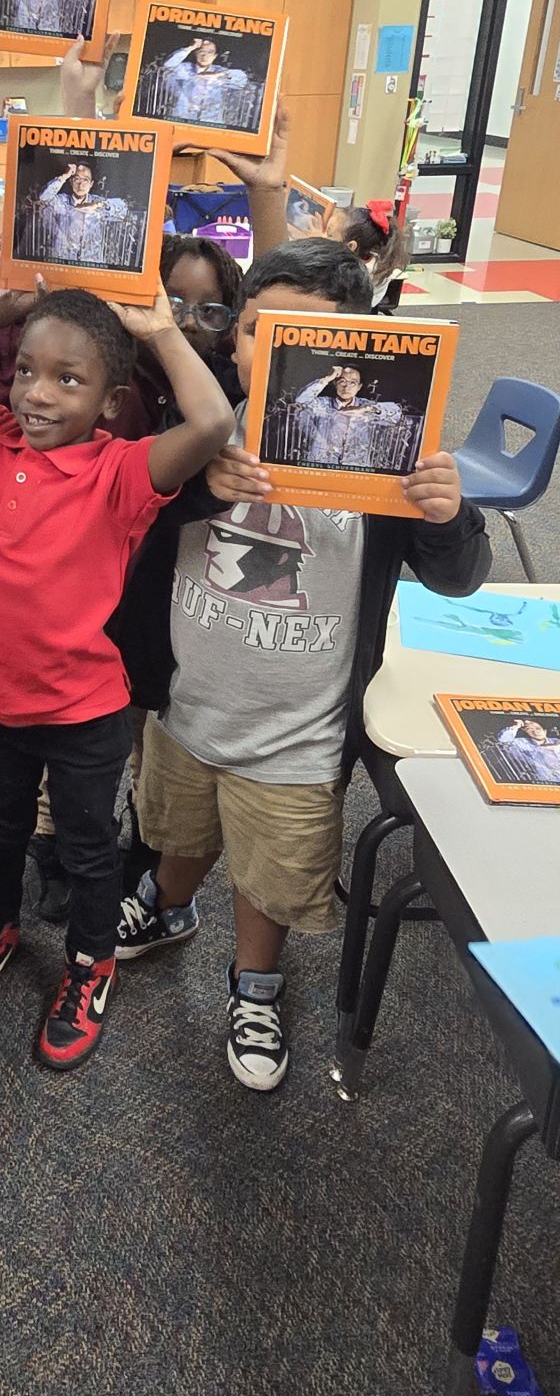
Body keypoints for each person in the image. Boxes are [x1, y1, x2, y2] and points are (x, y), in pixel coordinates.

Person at [111, 238, 491, 1092]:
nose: (272, 351)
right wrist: (205, 482)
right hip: (187, 709)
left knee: (271, 878)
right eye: (255, 330)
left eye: (308, 337)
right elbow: (135, 527)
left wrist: (446, 510)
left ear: (358, 350)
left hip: (298, 735)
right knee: (178, 832)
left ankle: (255, 984)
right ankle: (168, 906)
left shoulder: (389, 457)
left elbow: (459, 576)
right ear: (235, 341)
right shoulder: (203, 427)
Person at [0, 280, 236, 1072]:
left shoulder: (121, 471)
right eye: (27, 370)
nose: (37, 392)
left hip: (84, 709)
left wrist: (161, 330)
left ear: (110, 403)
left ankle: (88, 962)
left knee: (88, 843)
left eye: (69, 380)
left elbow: (211, 422)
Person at [285, 364, 416, 471]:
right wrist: (327, 378)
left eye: (352, 383)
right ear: (335, 384)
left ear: (359, 387)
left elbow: (396, 413)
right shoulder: (322, 404)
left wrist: (365, 410)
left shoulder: (366, 405)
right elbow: (301, 401)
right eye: (342, 381)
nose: (346, 387)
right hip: (321, 465)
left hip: (357, 469)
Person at [36, 162, 129, 265]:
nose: (81, 184)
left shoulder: (97, 201)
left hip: (91, 263)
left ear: (91, 184)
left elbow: (123, 210)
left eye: (85, 180)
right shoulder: (62, 202)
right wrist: (64, 176)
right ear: (71, 182)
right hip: (63, 260)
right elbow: (44, 197)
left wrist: (98, 206)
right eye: (76, 179)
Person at [326, 199, 408, 309]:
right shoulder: (361, 257)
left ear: (350, 246)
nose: (323, 236)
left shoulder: (356, 275)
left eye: (329, 234)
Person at [162, 37, 249, 125]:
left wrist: (217, 75)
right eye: (201, 51)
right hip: (182, 119)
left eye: (210, 52)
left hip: (211, 122)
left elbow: (242, 80)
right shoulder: (185, 69)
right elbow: (168, 64)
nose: (205, 56)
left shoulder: (219, 71)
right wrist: (190, 48)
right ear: (196, 53)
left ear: (215, 56)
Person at [495, 718, 560, 784]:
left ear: (545, 731)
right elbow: (503, 740)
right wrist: (516, 726)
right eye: (530, 730)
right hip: (545, 780)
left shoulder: (556, 741)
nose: (535, 732)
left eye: (538, 728)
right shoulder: (522, 742)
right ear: (526, 732)